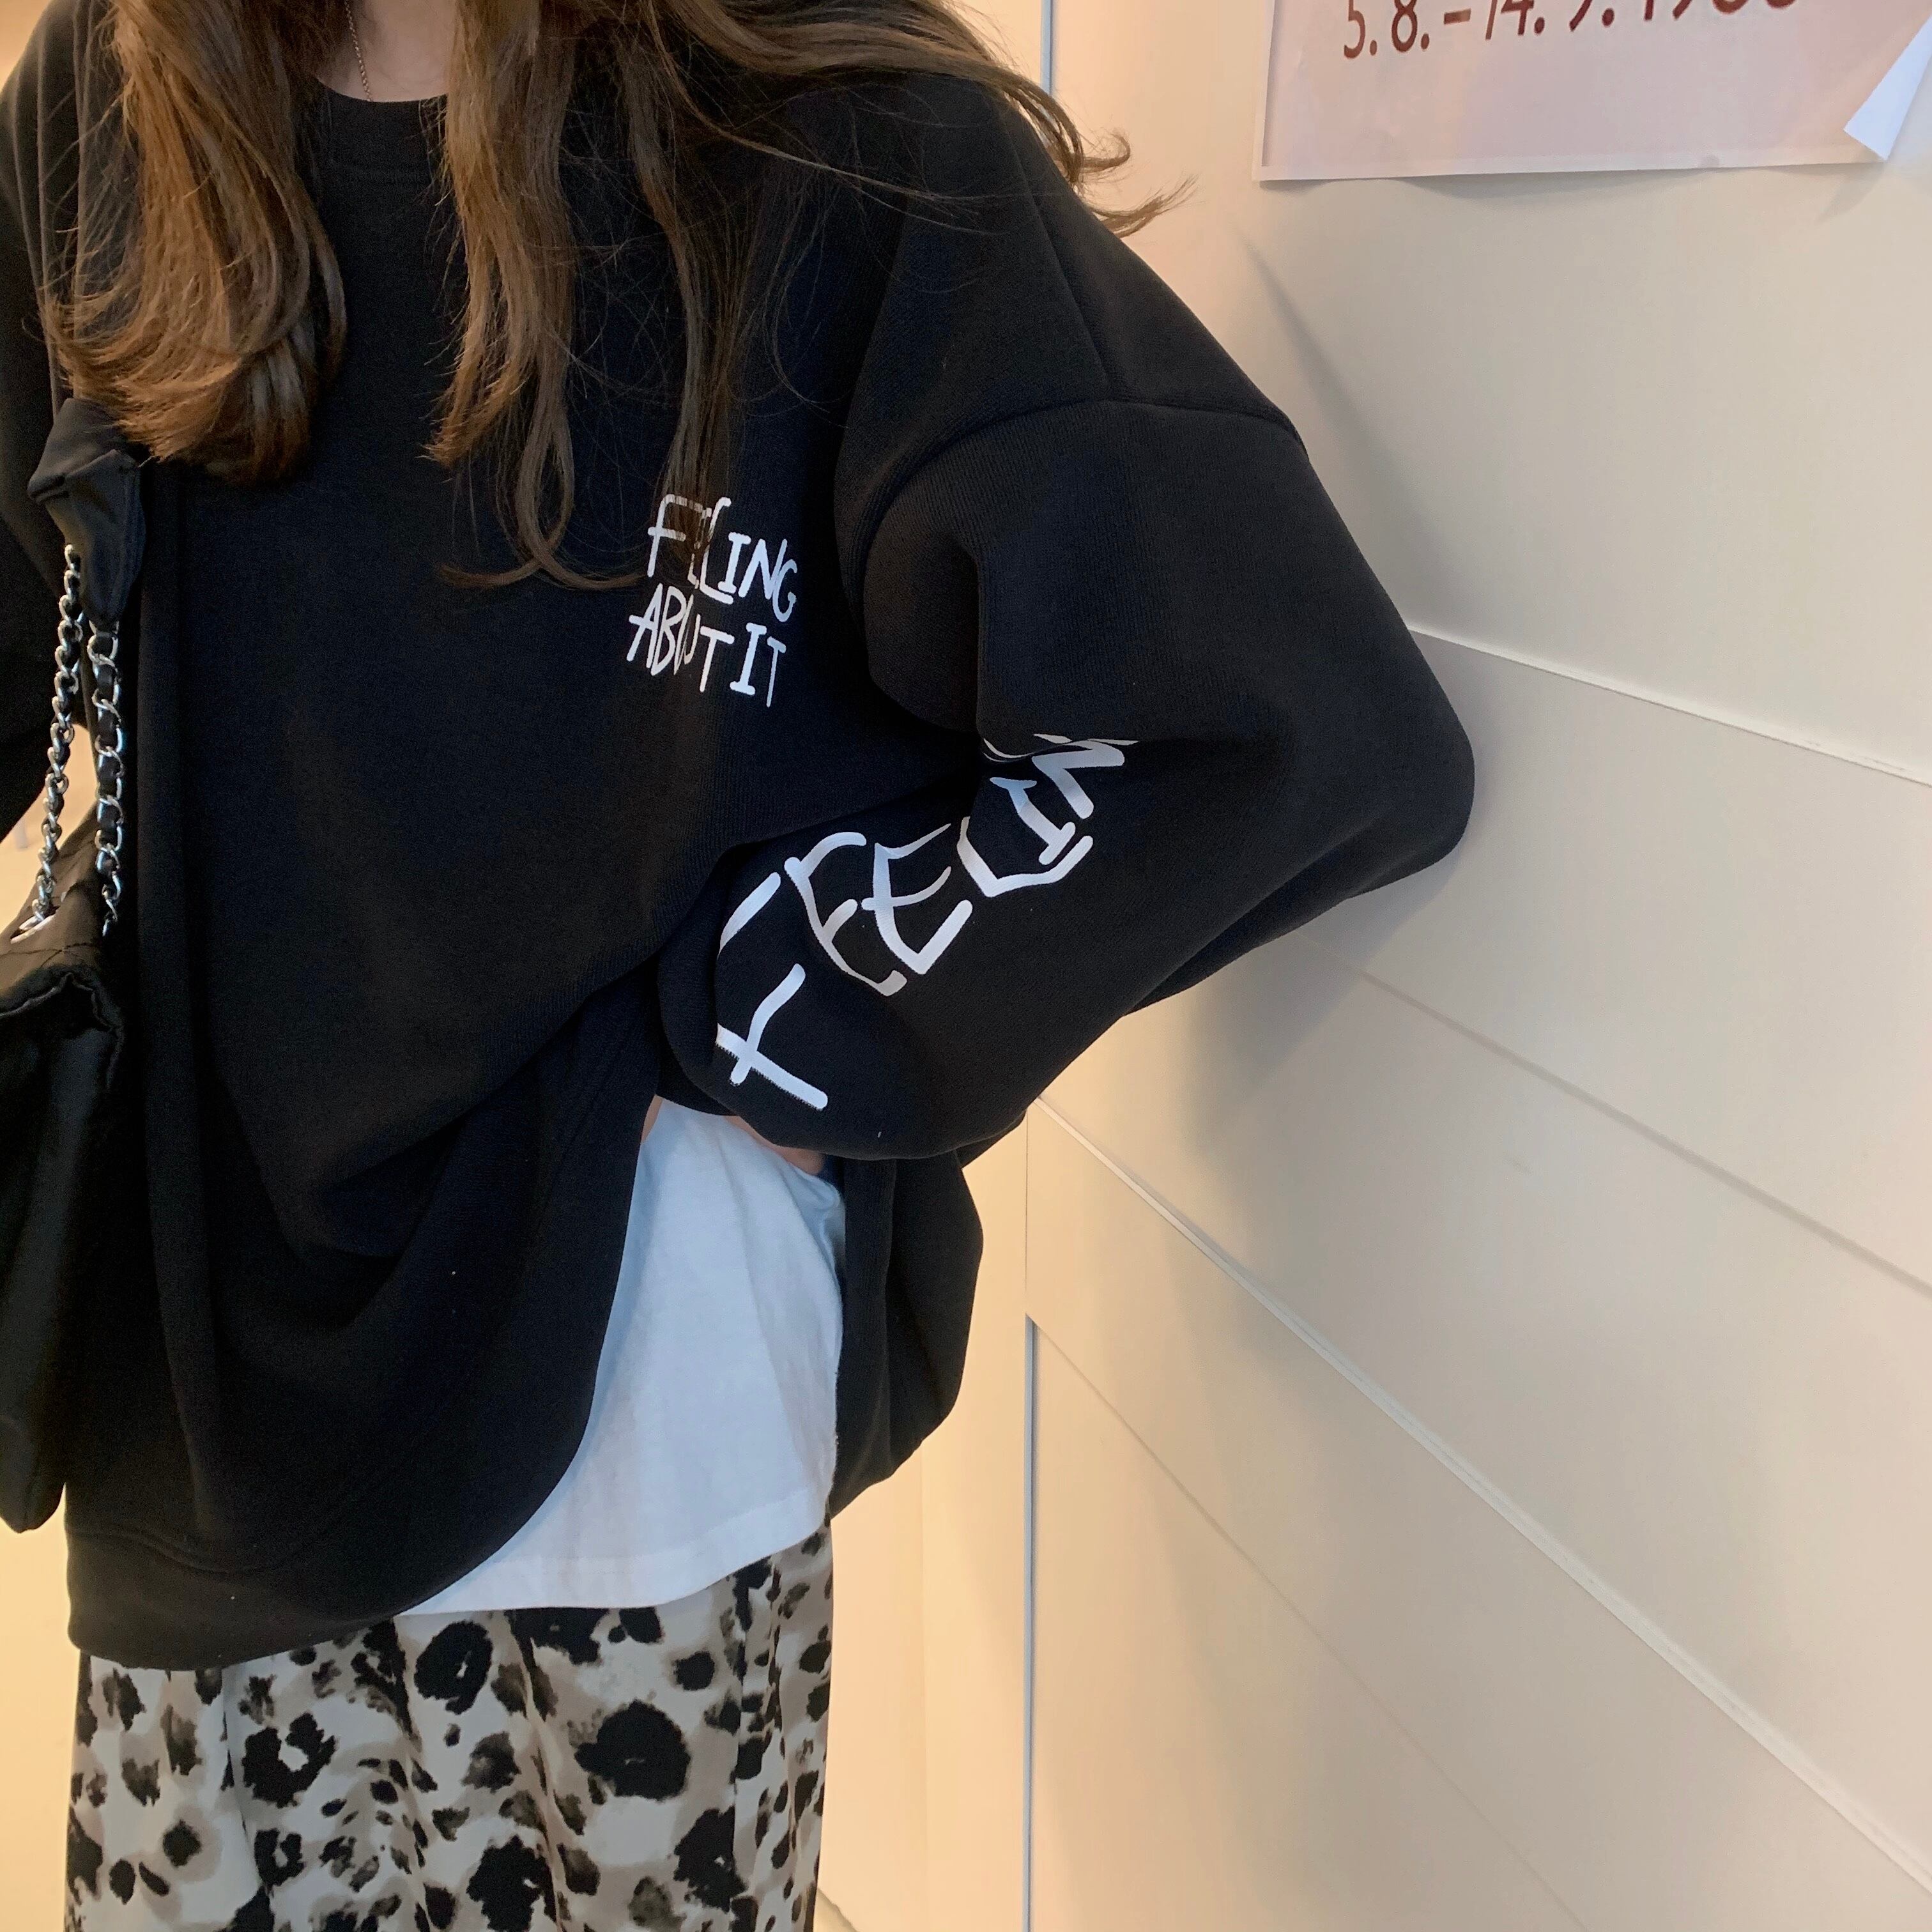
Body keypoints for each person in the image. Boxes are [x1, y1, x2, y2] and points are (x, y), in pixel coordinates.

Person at [0, 0, 1475, 1925]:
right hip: (198, 1406)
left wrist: (789, 1011)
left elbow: (1281, 727)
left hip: (641, 1427)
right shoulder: (111, 100)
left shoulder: (829, 120)